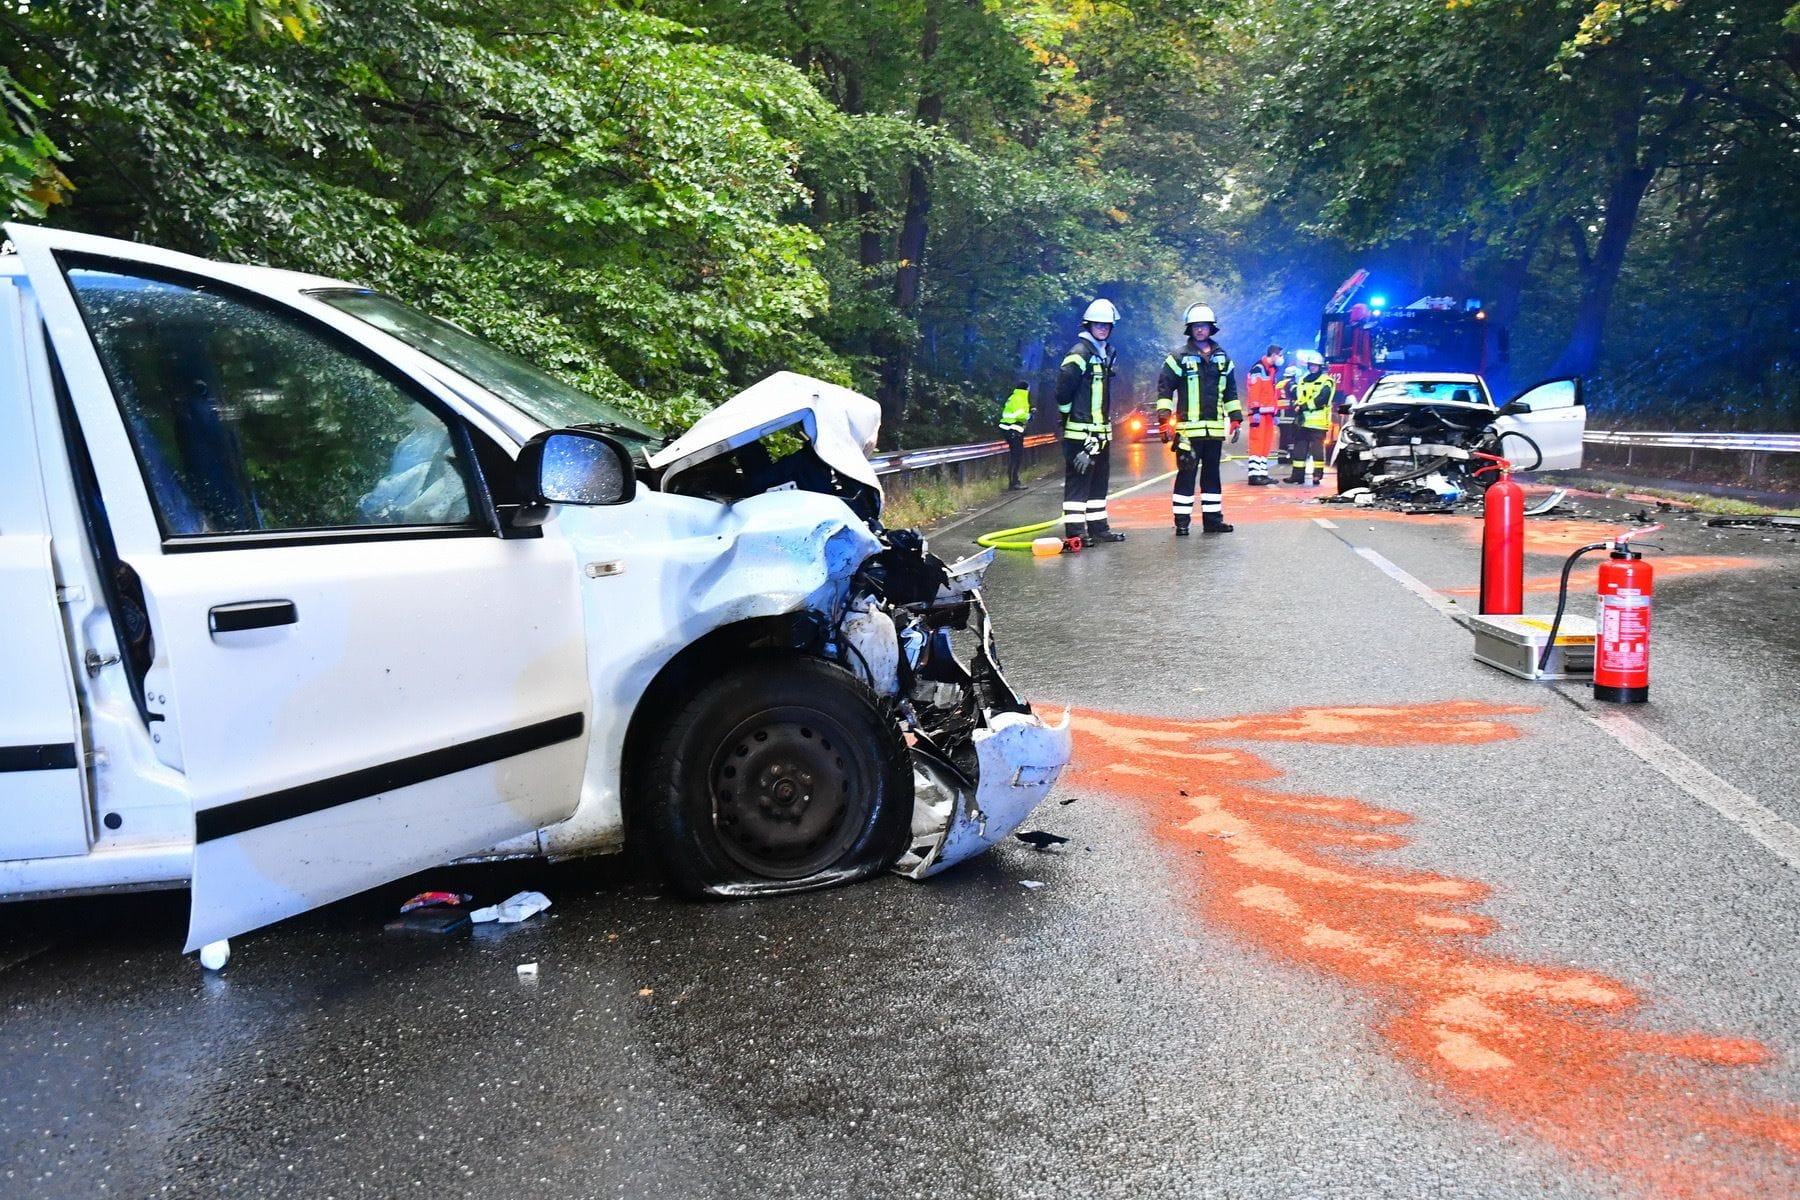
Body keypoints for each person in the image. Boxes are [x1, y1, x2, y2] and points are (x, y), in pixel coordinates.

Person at [1155, 303, 1243, 534]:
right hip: (1187, 432)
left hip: (1213, 431)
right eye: (1196, 326)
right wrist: (1164, 420)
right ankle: (1182, 523)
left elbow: (1230, 391)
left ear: (1211, 328)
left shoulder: (1223, 358)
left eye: (1204, 326)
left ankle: (1213, 520)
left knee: (1212, 476)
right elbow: (1164, 390)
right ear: (1190, 329)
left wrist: (1235, 418)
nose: (1200, 330)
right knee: (1186, 474)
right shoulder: (1178, 358)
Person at [1055, 299, 1126, 543]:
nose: (1103, 328)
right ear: (1089, 324)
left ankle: (1098, 528)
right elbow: (1063, 390)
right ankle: (1076, 532)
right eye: (1098, 324)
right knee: (1078, 483)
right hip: (1080, 433)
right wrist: (1068, 416)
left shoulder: (1106, 353)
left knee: (1098, 483)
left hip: (1101, 434)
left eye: (1107, 325)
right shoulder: (1080, 353)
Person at [1281, 349, 1338, 486]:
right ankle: (1297, 476)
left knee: (1317, 450)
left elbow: (1322, 399)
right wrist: (1292, 390)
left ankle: (1317, 475)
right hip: (1303, 422)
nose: (1312, 367)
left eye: (1315, 365)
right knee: (1299, 449)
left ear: (1320, 366)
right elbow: (1299, 396)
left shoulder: (1326, 382)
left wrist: (1304, 406)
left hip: (1318, 423)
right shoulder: (1303, 380)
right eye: (1310, 365)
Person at [1244, 345, 1284, 485]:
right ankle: (1254, 475)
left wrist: (1275, 412)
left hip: (1267, 413)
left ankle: (1262, 473)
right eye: (1280, 355)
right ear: (1273, 354)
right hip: (1259, 413)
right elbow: (1254, 391)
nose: (1281, 358)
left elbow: (1272, 394)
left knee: (1266, 444)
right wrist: (1255, 410)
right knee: (1257, 443)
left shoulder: (1271, 370)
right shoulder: (1259, 368)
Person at [998, 380, 1031, 490]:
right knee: (1016, 456)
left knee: (1015, 455)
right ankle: (1014, 483)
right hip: (1013, 429)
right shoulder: (1021, 398)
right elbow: (1020, 415)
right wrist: (1029, 415)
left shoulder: (1013, 397)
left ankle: (1014, 481)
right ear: (1026, 389)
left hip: (1008, 428)